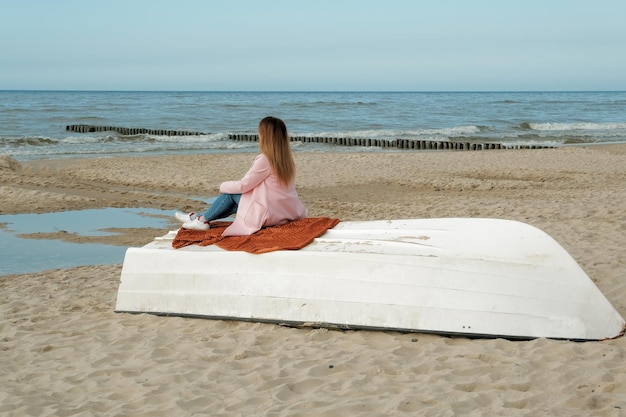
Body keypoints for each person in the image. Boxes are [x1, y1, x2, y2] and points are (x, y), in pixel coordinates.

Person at [174, 116, 307, 236]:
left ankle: (202, 220)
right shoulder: (286, 160)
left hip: (269, 215)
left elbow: (244, 185)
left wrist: (223, 186)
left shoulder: (265, 160)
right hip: (283, 212)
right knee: (237, 202)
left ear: (265, 137)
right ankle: (197, 217)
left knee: (230, 195)